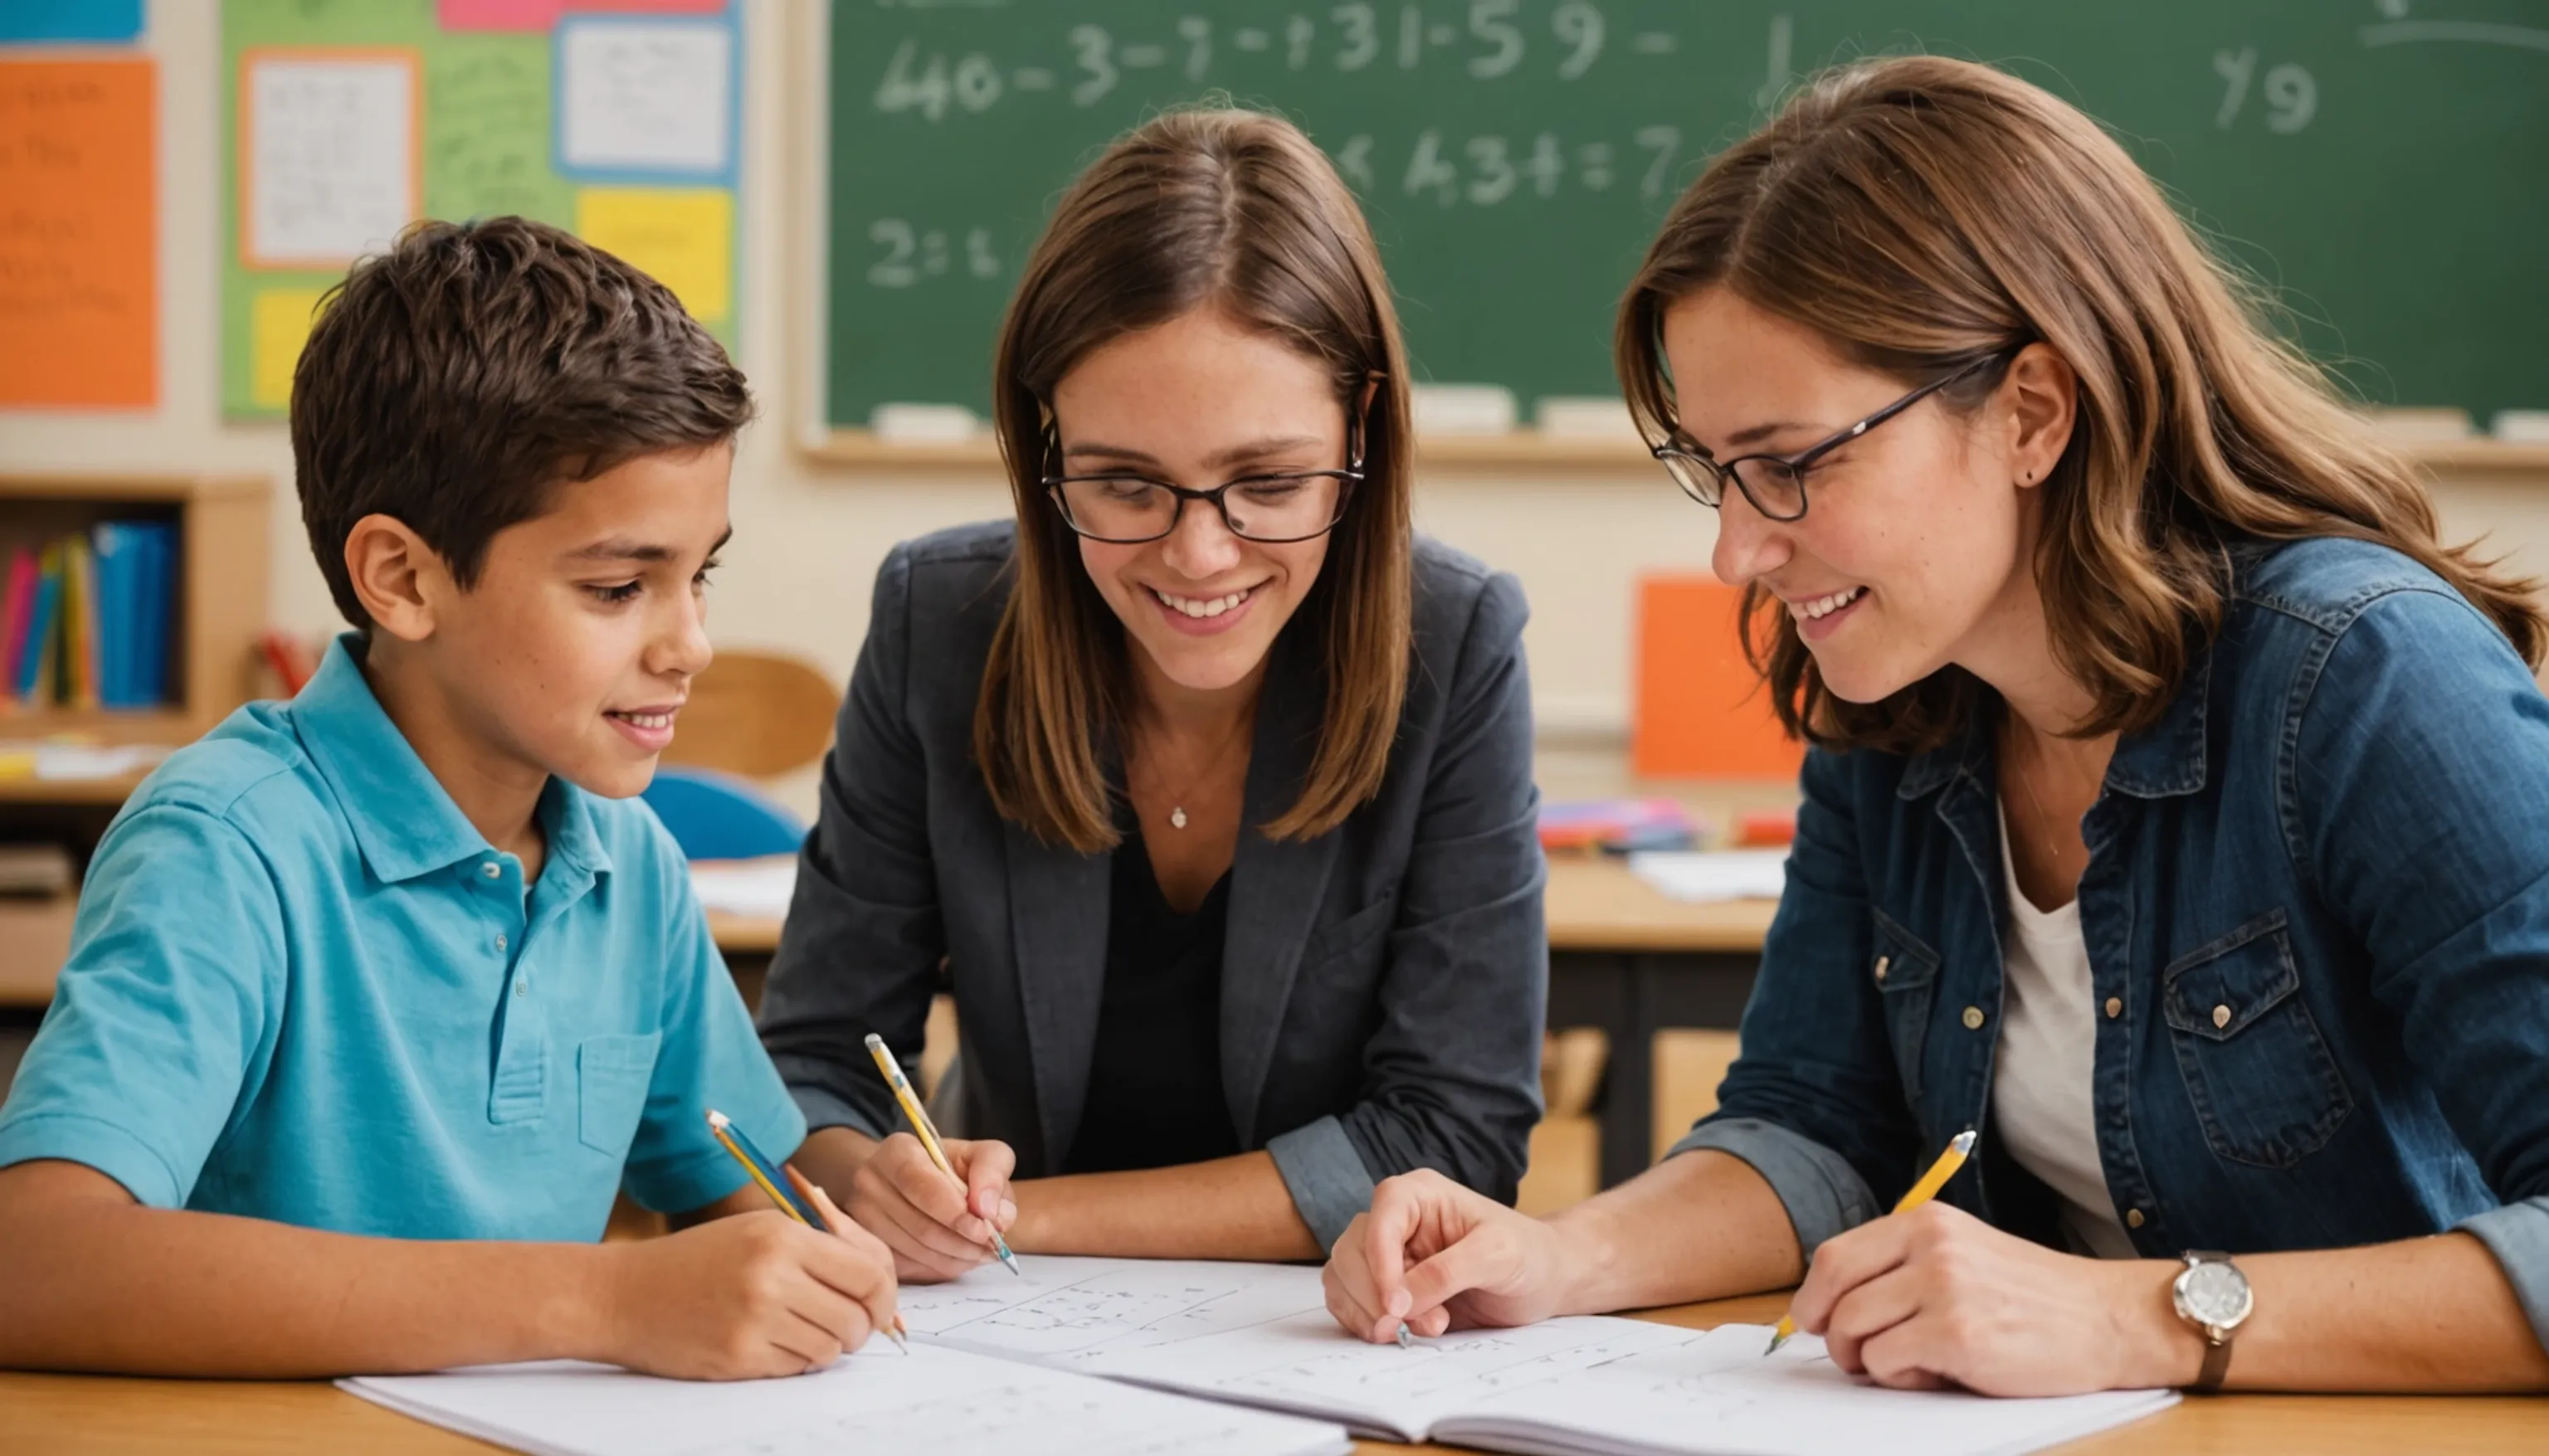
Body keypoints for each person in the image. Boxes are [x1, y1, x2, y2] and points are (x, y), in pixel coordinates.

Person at [1320, 56, 2549, 1395]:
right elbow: (1812, 1123)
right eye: (1716, 472)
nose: (1736, 550)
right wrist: (1557, 1256)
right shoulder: (1899, 704)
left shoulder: (2364, 677)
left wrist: (2134, 1317)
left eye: (1791, 465)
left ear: (2032, 409)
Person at [0, 217, 898, 1379]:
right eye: (622, 585)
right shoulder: (227, 846)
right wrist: (602, 1299)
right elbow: (37, 1261)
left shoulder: (626, 859)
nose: (693, 645)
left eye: (699, 575)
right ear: (405, 578)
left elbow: (747, 1205)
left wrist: (871, 1197)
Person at [757, 108, 1547, 1278]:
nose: (1200, 555)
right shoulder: (941, 623)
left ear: (1362, 424)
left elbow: (1455, 1137)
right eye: (1125, 482)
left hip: (1323, 1332)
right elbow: (814, 1058)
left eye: (1267, 481)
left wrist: (1025, 1219)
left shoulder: (1456, 640)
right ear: (1045, 444)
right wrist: (863, 1167)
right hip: (1010, 1349)